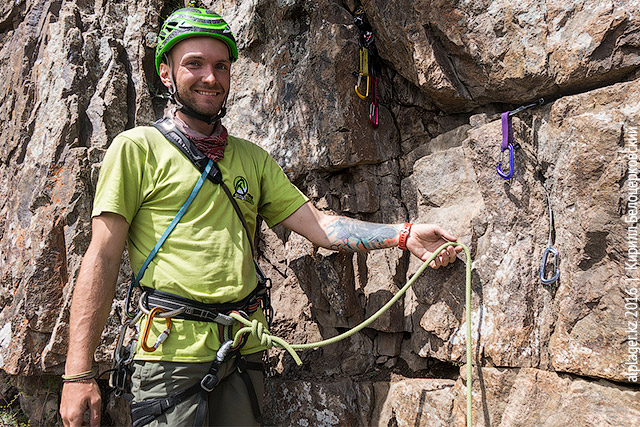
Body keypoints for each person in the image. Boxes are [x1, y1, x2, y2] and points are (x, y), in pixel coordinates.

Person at [59, 7, 462, 427]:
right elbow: (102, 257)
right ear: (166, 74)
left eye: (220, 66)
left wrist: (405, 234)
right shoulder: (136, 149)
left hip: (243, 352)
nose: (210, 78)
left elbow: (322, 227)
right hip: (169, 355)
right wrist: (78, 373)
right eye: (193, 64)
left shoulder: (251, 159)